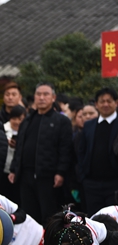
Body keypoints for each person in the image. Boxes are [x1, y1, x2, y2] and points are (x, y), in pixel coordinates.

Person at [9, 83, 73, 224]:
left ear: (53, 97)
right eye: (38, 94)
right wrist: (14, 169)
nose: (42, 98)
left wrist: (61, 172)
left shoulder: (61, 121)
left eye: (46, 94)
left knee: (49, 215)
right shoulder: (27, 120)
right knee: (29, 215)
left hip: (48, 176)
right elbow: (20, 146)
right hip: (25, 175)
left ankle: (49, 244)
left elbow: (65, 149)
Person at [76, 87, 118, 215]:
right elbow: (81, 151)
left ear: (116, 103)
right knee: (94, 220)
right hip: (91, 184)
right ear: (96, 104)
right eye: (102, 101)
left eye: (109, 101)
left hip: (114, 184)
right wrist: (83, 177)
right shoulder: (89, 125)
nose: (105, 104)